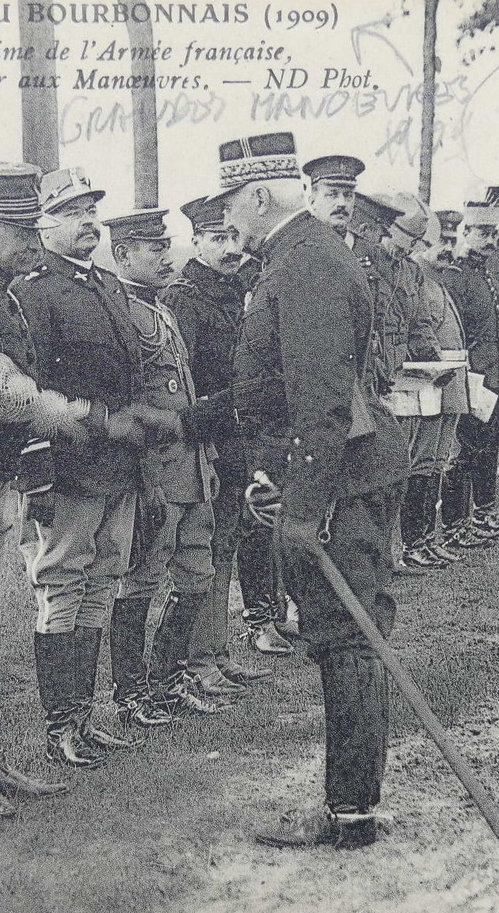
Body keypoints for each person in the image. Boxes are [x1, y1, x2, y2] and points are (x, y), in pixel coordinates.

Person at [0, 163, 170, 772]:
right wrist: (90, 423)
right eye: (20, 230)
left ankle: (3, 756)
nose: (31, 241)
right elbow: (5, 391)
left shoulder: (0, 289)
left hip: (9, 477)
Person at [216, 131, 409, 849]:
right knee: (342, 638)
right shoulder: (294, 257)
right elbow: (272, 388)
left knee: (347, 638)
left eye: (230, 206)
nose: (225, 222)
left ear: (260, 196)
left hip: (342, 480)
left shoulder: (305, 264)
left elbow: (322, 397)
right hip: (332, 473)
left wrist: (303, 507)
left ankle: (351, 811)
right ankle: (350, 803)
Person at [13, 168, 184, 765]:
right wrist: (37, 475)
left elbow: (136, 380)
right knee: (61, 587)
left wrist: (142, 464)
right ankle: (60, 724)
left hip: (120, 468)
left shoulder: (109, 287)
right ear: (43, 224)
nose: (86, 222)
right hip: (72, 470)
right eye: (70, 212)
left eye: (91, 210)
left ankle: (84, 717)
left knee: (101, 585)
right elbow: (28, 392)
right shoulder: (34, 292)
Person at [107, 207, 233, 722]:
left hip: (193, 468)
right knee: (140, 581)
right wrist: (145, 478)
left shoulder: (160, 310)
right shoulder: (122, 314)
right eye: (152, 248)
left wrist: (207, 459)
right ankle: (131, 693)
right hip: (156, 472)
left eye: (165, 246)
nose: (165, 255)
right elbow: (129, 403)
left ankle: (169, 676)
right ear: (122, 255)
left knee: (196, 573)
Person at [162, 196, 279, 687]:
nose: (231, 250)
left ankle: (216, 651)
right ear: (196, 242)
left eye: (233, 237)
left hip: (239, 441)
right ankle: (194, 662)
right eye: (217, 239)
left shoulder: (241, 292)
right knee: (200, 553)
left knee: (226, 546)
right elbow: (181, 383)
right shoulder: (184, 299)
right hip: (203, 441)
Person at [389, 206, 469, 568]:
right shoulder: (412, 279)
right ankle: (411, 542)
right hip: (415, 380)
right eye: (436, 243)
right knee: (418, 461)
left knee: (435, 460)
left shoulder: (432, 281)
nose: (445, 250)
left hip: (442, 376)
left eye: (450, 241)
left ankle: (425, 537)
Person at [444, 203, 499, 547]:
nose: (491, 241)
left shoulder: (486, 271)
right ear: (464, 233)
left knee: (488, 445)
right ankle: (454, 525)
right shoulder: (455, 276)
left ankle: (483, 511)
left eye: (493, 234)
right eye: (483, 233)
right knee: (464, 453)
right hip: (471, 378)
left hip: (493, 376)